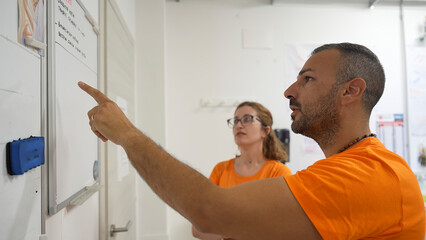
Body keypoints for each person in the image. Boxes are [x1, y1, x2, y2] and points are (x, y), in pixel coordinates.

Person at [79, 42, 425, 239]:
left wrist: (126, 134)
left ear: (351, 91)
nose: (289, 91)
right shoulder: (342, 168)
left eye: (306, 78)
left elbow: (209, 211)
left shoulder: (368, 175)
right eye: (236, 120)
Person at [192, 101, 292, 240]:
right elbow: (198, 227)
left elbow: (282, 228)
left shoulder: (279, 172)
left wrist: (226, 229)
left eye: (247, 119)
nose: (239, 125)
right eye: (236, 120)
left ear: (265, 131)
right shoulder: (220, 169)